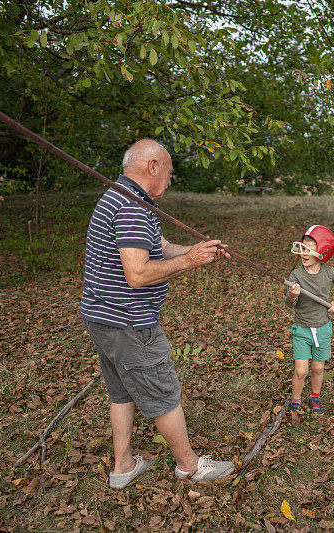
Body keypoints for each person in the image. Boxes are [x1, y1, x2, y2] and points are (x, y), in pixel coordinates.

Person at [81, 139, 234, 489]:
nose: (169, 179)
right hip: (126, 321)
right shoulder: (132, 206)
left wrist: (197, 253)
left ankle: (123, 466)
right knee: (162, 392)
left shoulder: (128, 198)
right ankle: (190, 466)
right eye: (168, 172)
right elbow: (137, 274)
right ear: (153, 167)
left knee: (121, 390)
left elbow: (159, 248)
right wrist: (190, 261)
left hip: (101, 316)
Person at [285, 225, 334, 415]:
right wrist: (292, 295)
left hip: (322, 328)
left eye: (308, 249)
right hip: (302, 329)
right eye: (302, 248)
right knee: (301, 370)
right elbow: (290, 304)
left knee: (318, 367)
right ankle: (295, 401)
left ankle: (315, 396)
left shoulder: (328, 273)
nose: (303, 253)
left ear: (322, 252)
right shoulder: (296, 275)